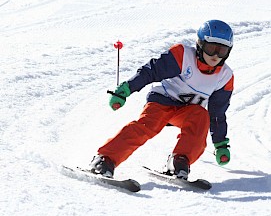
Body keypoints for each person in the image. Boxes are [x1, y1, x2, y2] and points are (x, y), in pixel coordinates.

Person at [90, 19, 234, 180]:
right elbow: (151, 71)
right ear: (200, 44)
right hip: (162, 101)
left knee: (201, 116)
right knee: (146, 126)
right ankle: (104, 159)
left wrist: (220, 143)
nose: (215, 55)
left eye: (221, 51)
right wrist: (126, 89)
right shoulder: (183, 55)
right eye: (211, 48)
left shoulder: (225, 77)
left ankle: (179, 162)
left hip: (188, 111)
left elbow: (217, 114)